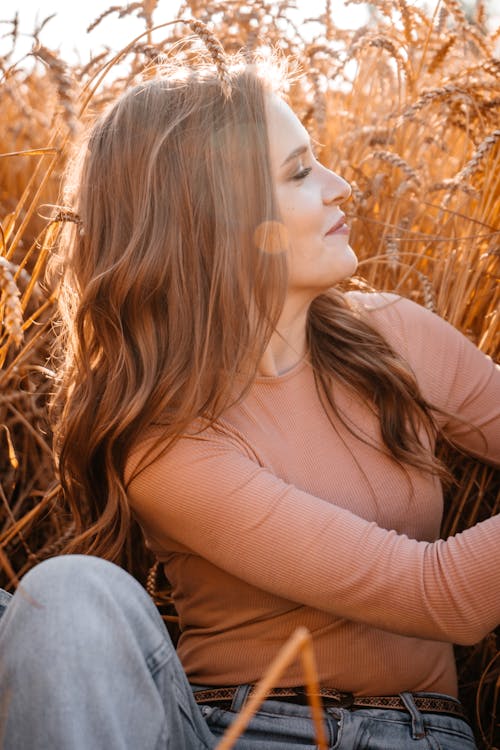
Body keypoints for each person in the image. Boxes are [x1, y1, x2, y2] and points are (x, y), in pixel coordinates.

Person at [0, 51, 499, 750]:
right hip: (226, 730)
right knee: (63, 597)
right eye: (299, 172)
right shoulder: (169, 445)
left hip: (411, 733)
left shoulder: (393, 335)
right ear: (214, 223)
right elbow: (443, 596)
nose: (342, 186)